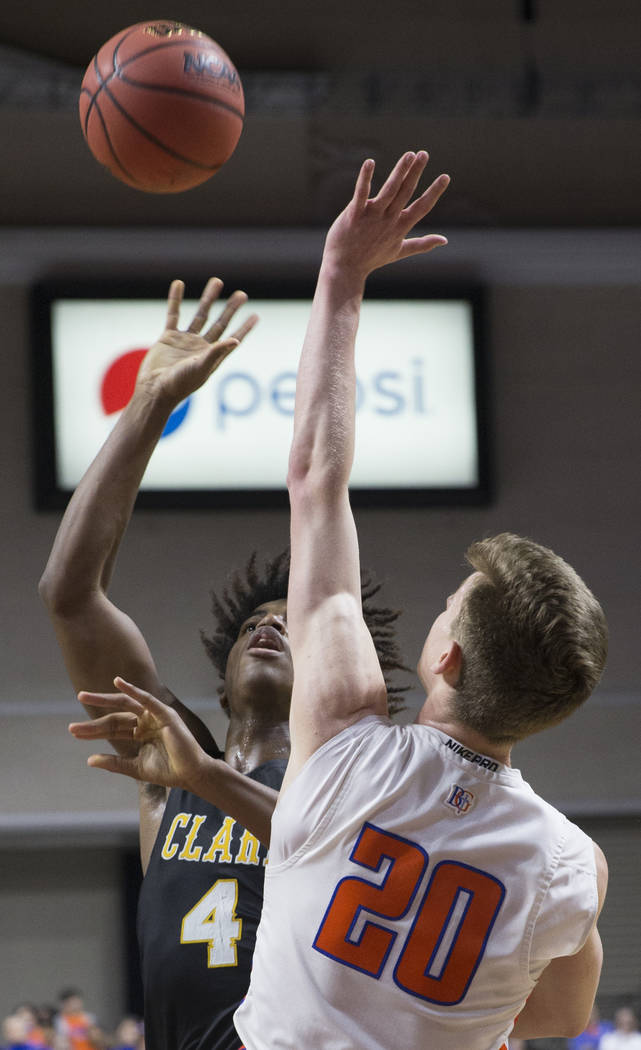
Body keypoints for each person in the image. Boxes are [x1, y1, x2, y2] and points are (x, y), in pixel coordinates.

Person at [72, 151, 609, 1048]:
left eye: (451, 604)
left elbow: (317, 479)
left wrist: (342, 276)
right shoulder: (567, 865)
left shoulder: (346, 751)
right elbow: (557, 1017)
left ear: (445, 657)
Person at [42, 278, 407, 1050]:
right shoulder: (165, 764)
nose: (270, 629)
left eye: (292, 625)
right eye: (254, 623)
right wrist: (148, 405)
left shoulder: (343, 786)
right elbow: (71, 594)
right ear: (223, 670)